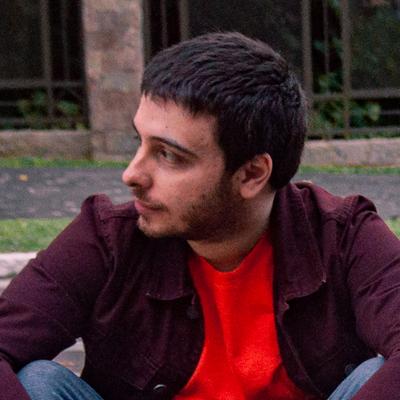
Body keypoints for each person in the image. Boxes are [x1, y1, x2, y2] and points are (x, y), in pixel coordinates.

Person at [1, 32, 399, 400]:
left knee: (375, 374)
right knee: (38, 381)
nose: (132, 174)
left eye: (168, 155)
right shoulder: (108, 238)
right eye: (140, 142)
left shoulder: (343, 235)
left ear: (251, 174)